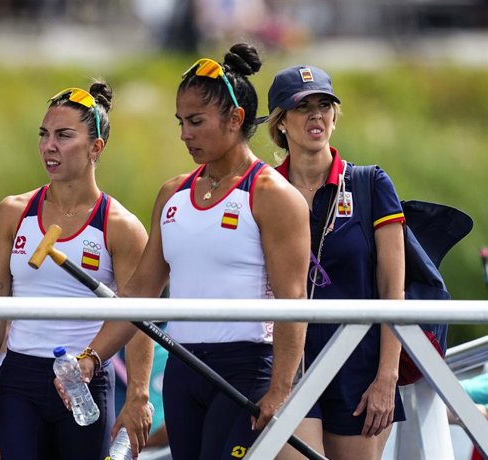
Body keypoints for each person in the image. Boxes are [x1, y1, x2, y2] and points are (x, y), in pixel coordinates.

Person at [72, 43, 311, 460]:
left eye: (196, 121)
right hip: (184, 370)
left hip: (245, 369)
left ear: (236, 119)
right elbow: (141, 291)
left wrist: (281, 390)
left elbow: (293, 301)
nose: (185, 134)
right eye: (181, 122)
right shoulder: (172, 194)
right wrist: (92, 357)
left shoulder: (273, 195)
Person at [0, 81, 149, 460]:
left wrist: (138, 394)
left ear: (96, 148)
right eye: (44, 134)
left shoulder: (120, 225)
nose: (48, 146)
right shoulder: (13, 212)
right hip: (20, 379)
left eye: (63, 136)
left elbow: (139, 319)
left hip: (83, 379)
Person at [265, 64, 406, 459]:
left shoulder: (370, 184)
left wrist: (386, 378)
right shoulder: (265, 190)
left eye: (324, 105)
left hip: (359, 368)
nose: (316, 115)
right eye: (302, 106)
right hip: (288, 364)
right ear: (280, 123)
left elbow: (393, 291)